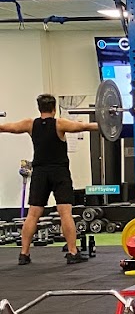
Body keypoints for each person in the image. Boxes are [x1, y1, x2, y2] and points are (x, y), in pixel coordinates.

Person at [0, 95, 98, 265]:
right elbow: (86, 126)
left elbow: (5, 127)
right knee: (65, 213)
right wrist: (112, 123)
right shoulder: (60, 124)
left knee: (32, 214)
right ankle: (72, 252)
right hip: (59, 172)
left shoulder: (30, 124)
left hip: (40, 173)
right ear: (54, 109)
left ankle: (24, 254)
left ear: (39, 108)